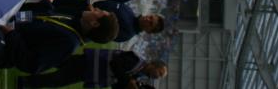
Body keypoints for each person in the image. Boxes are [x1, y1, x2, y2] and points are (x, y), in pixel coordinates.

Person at [20, 0, 164, 43]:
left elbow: (101, 31)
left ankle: (15, 19)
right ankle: (19, 9)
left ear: (149, 31)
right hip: (82, 7)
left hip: (80, 18)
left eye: (151, 23)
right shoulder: (131, 14)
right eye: (151, 17)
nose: (148, 19)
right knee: (49, 3)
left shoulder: (127, 33)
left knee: (47, 15)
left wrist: (92, 10)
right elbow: (113, 1)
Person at [17, 49, 167, 88]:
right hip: (88, 65)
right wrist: (128, 81)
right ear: (154, 65)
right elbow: (115, 64)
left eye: (159, 77)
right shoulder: (136, 61)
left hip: (89, 71)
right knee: (56, 79)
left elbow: (116, 83)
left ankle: (23, 58)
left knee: (54, 63)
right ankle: (24, 81)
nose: (156, 77)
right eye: (159, 73)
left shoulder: (138, 74)